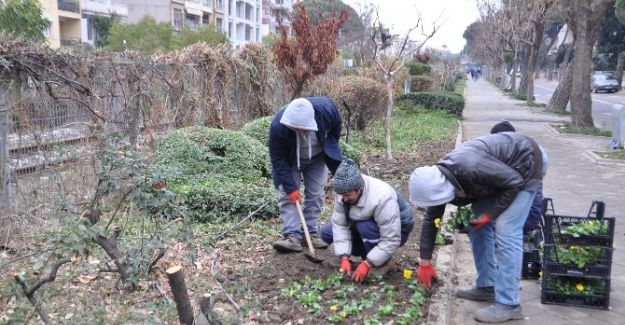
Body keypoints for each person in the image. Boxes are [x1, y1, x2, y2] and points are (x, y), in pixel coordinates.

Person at [409, 132, 543, 323]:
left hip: (526, 163)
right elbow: (432, 219)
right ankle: (487, 286)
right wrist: (425, 261)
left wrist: (490, 215)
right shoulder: (439, 179)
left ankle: (509, 304)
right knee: (477, 225)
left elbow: (514, 183)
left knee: (507, 229)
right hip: (501, 176)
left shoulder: (469, 167)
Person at [320, 159, 415, 283]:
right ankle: (369, 254)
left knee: (364, 226)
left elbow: (391, 239)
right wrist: (344, 257)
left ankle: (382, 262)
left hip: (398, 231)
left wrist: (368, 264)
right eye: (341, 195)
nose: (344, 198)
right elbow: (340, 225)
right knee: (327, 232)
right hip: (365, 224)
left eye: (348, 195)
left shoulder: (382, 197)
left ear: (359, 189)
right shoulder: (344, 192)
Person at [269, 97, 343, 253]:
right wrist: (291, 189)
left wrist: (329, 146)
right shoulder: (278, 126)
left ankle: (311, 232)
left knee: (316, 194)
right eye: (295, 128)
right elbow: (278, 160)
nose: (299, 131)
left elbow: (336, 128)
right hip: (290, 160)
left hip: (317, 157)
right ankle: (291, 236)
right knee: (287, 196)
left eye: (302, 128)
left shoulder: (325, 110)